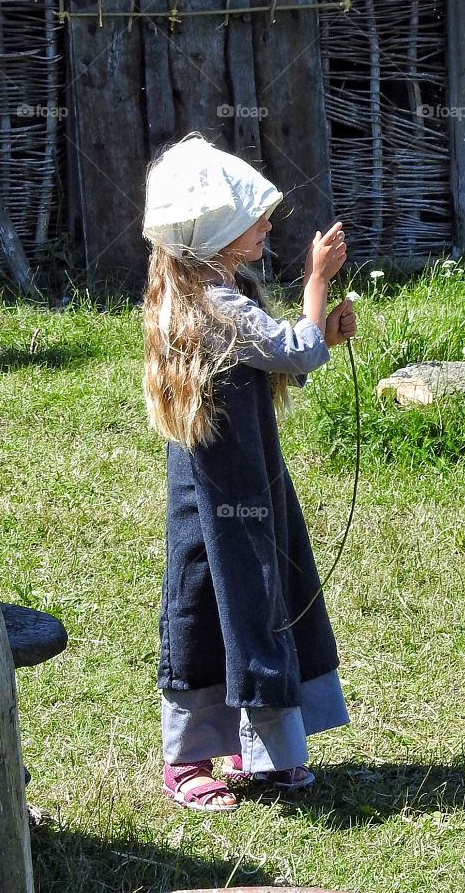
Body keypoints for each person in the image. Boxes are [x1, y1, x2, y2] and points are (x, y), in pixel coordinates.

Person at [140, 131, 357, 812]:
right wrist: (317, 284)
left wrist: (324, 331)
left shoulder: (215, 289)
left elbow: (283, 353)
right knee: (223, 598)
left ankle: (256, 746)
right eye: (252, 218)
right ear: (214, 232)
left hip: (239, 480)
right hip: (223, 486)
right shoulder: (214, 303)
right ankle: (190, 759)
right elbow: (295, 351)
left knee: (241, 593)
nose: (268, 225)